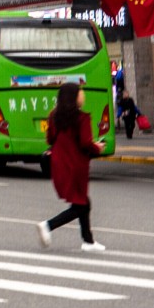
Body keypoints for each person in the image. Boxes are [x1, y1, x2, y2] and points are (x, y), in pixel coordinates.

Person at [38, 83, 105, 251]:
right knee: (80, 204)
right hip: (76, 166)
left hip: (60, 164)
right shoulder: (82, 118)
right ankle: (48, 225)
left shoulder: (54, 116)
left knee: (83, 202)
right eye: (80, 93)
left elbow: (50, 139)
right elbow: (84, 143)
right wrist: (97, 147)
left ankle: (88, 241)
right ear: (73, 97)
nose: (83, 96)